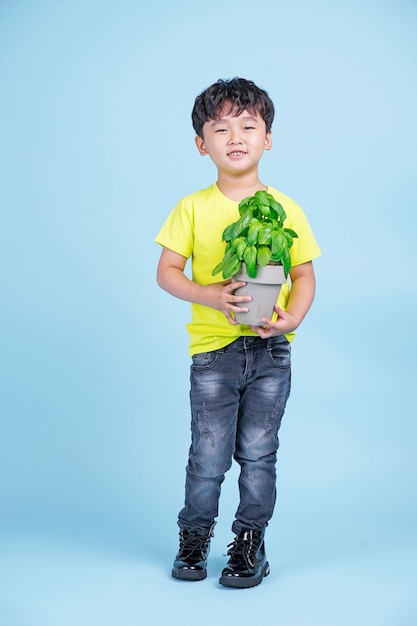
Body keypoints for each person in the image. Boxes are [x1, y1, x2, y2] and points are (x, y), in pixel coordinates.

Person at [155, 77, 321, 588]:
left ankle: (249, 542)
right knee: (207, 455)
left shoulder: (284, 208)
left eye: (249, 125)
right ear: (202, 144)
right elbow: (167, 271)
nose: (236, 136)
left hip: (271, 350)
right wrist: (211, 294)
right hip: (213, 353)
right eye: (221, 127)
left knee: (258, 453)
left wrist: (293, 318)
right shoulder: (192, 207)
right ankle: (194, 537)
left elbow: (303, 276)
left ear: (267, 138)